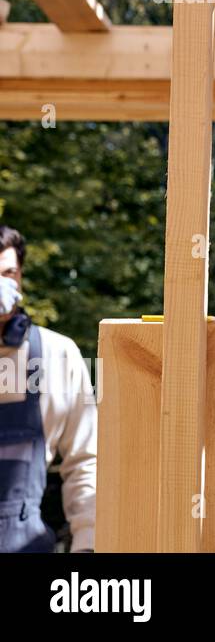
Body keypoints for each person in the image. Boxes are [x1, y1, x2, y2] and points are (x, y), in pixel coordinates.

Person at [0, 225, 97, 552]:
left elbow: (87, 460)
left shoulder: (61, 354)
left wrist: (88, 543)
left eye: (8, 273)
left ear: (21, 277)